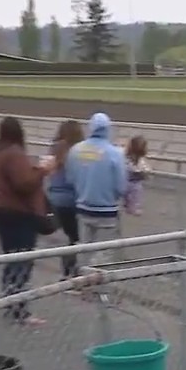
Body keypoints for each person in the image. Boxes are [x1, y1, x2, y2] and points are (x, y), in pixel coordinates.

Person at [0, 116, 56, 326]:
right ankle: (19, 309)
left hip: (0, 211)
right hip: (17, 214)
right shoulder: (15, 154)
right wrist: (43, 171)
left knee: (12, 258)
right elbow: (24, 184)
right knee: (22, 260)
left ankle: (11, 301)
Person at [63, 112, 129, 264]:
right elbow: (121, 186)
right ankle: (97, 284)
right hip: (107, 210)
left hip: (83, 207)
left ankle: (82, 279)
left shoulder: (76, 150)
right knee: (104, 253)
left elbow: (71, 178)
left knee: (84, 249)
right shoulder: (115, 153)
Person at [45, 119, 84, 279]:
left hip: (54, 199)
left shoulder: (54, 148)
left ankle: (67, 271)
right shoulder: (78, 151)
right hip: (72, 199)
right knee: (76, 238)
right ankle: (73, 272)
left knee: (68, 237)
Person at [123, 135, 151, 216]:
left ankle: (131, 206)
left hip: (128, 183)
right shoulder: (128, 158)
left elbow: (146, 170)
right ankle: (132, 207)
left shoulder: (139, 159)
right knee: (135, 190)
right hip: (130, 183)